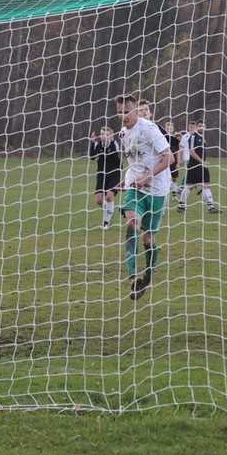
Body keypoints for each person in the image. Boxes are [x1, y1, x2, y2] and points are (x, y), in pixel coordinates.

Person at [116, 94, 174, 300]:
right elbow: (135, 163)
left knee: (148, 238)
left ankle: (146, 278)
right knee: (132, 223)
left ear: (135, 111)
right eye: (120, 113)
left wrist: (147, 176)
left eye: (127, 112)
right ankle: (133, 278)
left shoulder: (149, 129)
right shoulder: (123, 134)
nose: (123, 116)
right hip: (136, 189)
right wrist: (127, 180)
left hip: (158, 190)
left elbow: (169, 158)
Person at [177, 119, 219, 214]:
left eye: (203, 126)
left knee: (206, 184)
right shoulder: (193, 137)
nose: (202, 128)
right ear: (196, 127)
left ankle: (211, 207)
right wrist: (202, 162)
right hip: (194, 165)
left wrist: (204, 163)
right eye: (200, 126)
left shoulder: (203, 138)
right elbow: (192, 152)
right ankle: (181, 206)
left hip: (202, 165)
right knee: (190, 186)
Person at [89, 126, 122, 229]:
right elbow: (92, 157)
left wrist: (111, 142)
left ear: (111, 135)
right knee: (99, 200)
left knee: (109, 196)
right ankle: (109, 211)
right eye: (102, 134)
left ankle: (106, 222)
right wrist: (92, 143)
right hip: (101, 174)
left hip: (114, 173)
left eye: (106, 134)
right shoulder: (97, 144)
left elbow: (115, 156)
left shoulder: (115, 143)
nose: (103, 136)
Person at [163, 121, 181, 201]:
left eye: (170, 128)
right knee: (165, 177)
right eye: (167, 128)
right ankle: (164, 194)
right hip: (165, 160)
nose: (169, 130)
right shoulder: (163, 138)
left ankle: (174, 195)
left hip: (174, 161)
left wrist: (178, 162)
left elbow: (178, 151)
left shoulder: (175, 139)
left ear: (173, 129)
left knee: (174, 178)